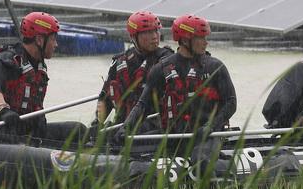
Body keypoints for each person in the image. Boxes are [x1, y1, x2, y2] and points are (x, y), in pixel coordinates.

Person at [118, 15, 237, 175]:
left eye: (205, 37)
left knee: (201, 160)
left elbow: (231, 103)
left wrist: (211, 126)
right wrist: (126, 127)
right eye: (200, 38)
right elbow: (142, 105)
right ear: (185, 40)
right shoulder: (161, 69)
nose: (205, 42)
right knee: (125, 150)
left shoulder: (215, 67)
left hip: (206, 135)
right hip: (173, 135)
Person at [0, 11, 84, 140]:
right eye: (53, 39)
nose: (56, 45)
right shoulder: (5, 60)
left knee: (78, 130)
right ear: (39, 39)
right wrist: (3, 110)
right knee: (13, 137)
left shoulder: (39, 66)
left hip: (25, 129)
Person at [93, 11, 173, 134]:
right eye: (147, 32)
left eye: (156, 31)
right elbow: (105, 98)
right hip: (121, 125)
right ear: (134, 36)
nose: (154, 36)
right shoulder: (120, 62)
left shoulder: (168, 60)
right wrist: (97, 123)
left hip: (152, 127)